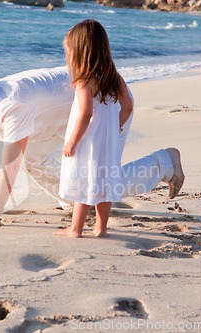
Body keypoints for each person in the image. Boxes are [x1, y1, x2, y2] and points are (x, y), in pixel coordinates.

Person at [0, 64, 184, 229]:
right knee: (34, 158)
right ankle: (72, 197)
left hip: (104, 105)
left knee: (104, 183)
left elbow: (8, 170)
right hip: (62, 119)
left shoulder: (10, 106)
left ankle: (165, 162)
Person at [55, 19, 129, 238]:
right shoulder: (114, 78)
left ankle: (75, 229)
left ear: (80, 52)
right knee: (104, 184)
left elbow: (86, 113)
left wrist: (72, 142)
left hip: (88, 141)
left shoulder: (84, 81)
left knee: (83, 182)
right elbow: (128, 106)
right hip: (107, 143)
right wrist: (115, 129)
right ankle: (100, 228)